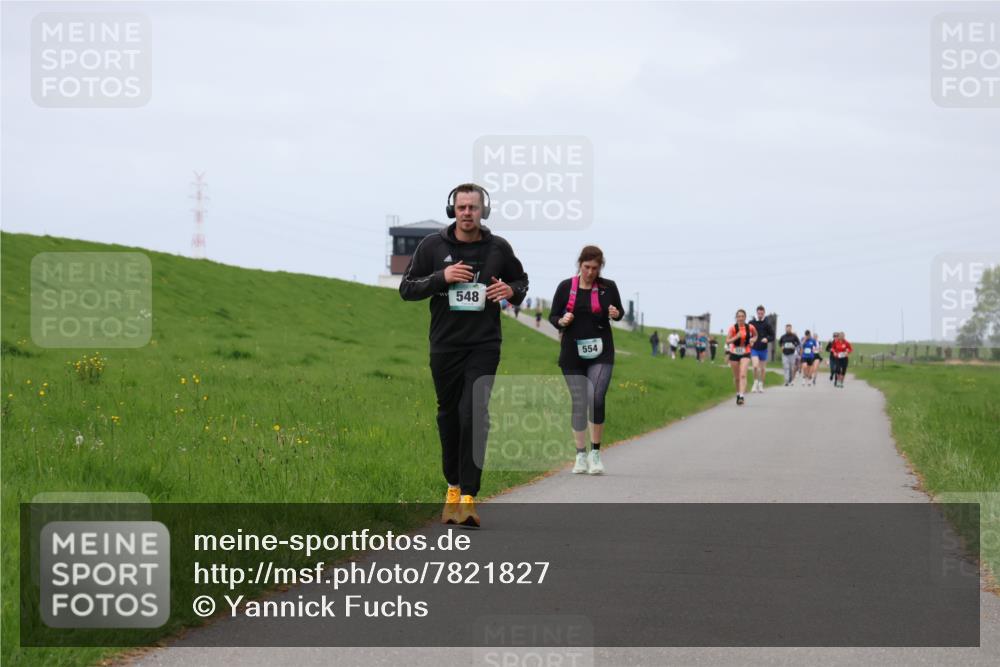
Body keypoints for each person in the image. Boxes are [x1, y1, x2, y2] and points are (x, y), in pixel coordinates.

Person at [399, 183, 529, 528]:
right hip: (445, 344)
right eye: (461, 208)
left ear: (482, 211)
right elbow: (407, 289)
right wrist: (442, 277)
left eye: (473, 208)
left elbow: (522, 283)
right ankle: (452, 488)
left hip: (484, 344)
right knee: (449, 417)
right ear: (452, 210)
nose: (467, 213)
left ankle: (470, 498)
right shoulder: (432, 246)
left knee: (474, 413)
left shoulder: (498, 248)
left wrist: (510, 291)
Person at [550, 246, 624, 476]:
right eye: (586, 267)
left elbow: (620, 312)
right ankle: (580, 454)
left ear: (600, 267)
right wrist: (562, 320)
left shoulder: (608, 287)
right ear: (579, 264)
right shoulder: (565, 287)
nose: (591, 272)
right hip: (572, 351)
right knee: (580, 400)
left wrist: (615, 313)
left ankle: (595, 453)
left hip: (601, 350)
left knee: (596, 396)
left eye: (595, 268)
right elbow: (553, 316)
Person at [726, 309, 757, 405]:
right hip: (734, 353)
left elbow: (756, 335)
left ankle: (741, 396)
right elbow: (727, 341)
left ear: (745, 317)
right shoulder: (733, 328)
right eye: (738, 316)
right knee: (736, 378)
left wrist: (752, 340)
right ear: (736, 318)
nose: (740, 318)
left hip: (746, 352)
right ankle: (737, 393)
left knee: (743, 374)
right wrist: (736, 337)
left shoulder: (750, 327)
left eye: (742, 316)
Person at [748, 305, 773, 393]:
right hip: (754, 348)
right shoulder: (751, 323)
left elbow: (772, 336)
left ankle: (761, 384)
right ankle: (755, 383)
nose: (760, 314)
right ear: (757, 313)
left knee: (762, 369)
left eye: (761, 313)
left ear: (764, 313)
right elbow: (748, 334)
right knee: (755, 366)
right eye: (759, 313)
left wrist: (767, 339)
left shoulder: (767, 324)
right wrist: (750, 340)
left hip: (763, 349)